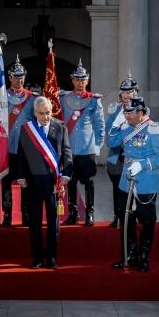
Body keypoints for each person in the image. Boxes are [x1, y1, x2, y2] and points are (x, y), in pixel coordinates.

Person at [107, 97, 159, 272]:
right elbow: (111, 143)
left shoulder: (154, 129)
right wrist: (115, 124)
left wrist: (142, 164)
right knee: (127, 220)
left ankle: (143, 256)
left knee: (147, 221)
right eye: (125, 113)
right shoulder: (125, 127)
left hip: (146, 181)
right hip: (126, 181)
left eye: (129, 113)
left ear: (140, 113)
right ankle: (129, 255)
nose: (126, 116)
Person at [16, 97, 72, 269]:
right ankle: (37, 257)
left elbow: (67, 152)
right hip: (33, 183)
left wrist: (66, 174)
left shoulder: (60, 127)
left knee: (53, 222)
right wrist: (21, 176)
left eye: (48, 113)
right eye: (42, 113)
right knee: (34, 222)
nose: (46, 116)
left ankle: (52, 256)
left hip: (53, 184)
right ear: (35, 113)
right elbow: (21, 155)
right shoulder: (27, 129)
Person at [0, 54, 36, 227]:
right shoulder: (1, 97)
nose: (19, 81)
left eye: (21, 77)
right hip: (6, 146)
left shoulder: (32, 98)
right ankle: (7, 213)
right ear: (9, 78)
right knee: (7, 182)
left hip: (25, 148)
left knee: (25, 182)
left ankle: (26, 214)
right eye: (15, 78)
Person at [60, 59, 105, 227]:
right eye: (77, 80)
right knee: (70, 182)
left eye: (83, 79)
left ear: (87, 80)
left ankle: (89, 213)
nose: (80, 83)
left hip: (87, 148)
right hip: (69, 148)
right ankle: (73, 213)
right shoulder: (64, 98)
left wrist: (98, 145)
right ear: (72, 80)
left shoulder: (93, 100)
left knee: (89, 182)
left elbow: (100, 124)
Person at [105, 72, 138, 228]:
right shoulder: (115, 110)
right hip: (116, 154)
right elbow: (108, 129)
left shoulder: (141, 109)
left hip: (133, 155)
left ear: (135, 92)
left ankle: (130, 216)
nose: (126, 95)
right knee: (116, 186)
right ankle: (117, 216)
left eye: (129, 91)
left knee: (132, 186)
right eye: (124, 92)